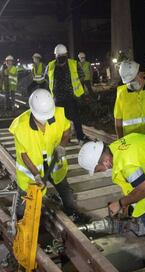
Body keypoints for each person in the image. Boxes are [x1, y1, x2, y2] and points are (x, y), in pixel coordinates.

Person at [78, 133, 145, 264]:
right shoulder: (115, 148)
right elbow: (131, 183)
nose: (100, 172)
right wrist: (126, 204)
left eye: (97, 169)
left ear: (106, 162)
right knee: (138, 203)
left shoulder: (127, 165)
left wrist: (120, 203)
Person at [9, 89, 87, 223]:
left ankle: (71, 212)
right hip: (31, 172)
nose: (45, 120)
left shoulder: (58, 114)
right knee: (24, 200)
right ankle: (21, 221)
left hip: (54, 165)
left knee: (65, 190)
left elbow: (67, 131)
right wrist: (36, 174)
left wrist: (62, 145)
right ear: (33, 111)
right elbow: (24, 155)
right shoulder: (20, 126)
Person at [46, 44, 88, 145]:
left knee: (76, 118)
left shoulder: (73, 64)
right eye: (59, 56)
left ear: (66, 55)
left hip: (71, 96)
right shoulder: (50, 66)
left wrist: (80, 91)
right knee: (59, 121)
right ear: (55, 56)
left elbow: (82, 76)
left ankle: (80, 137)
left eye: (63, 55)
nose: (61, 58)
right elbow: (46, 79)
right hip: (57, 98)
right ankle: (63, 139)